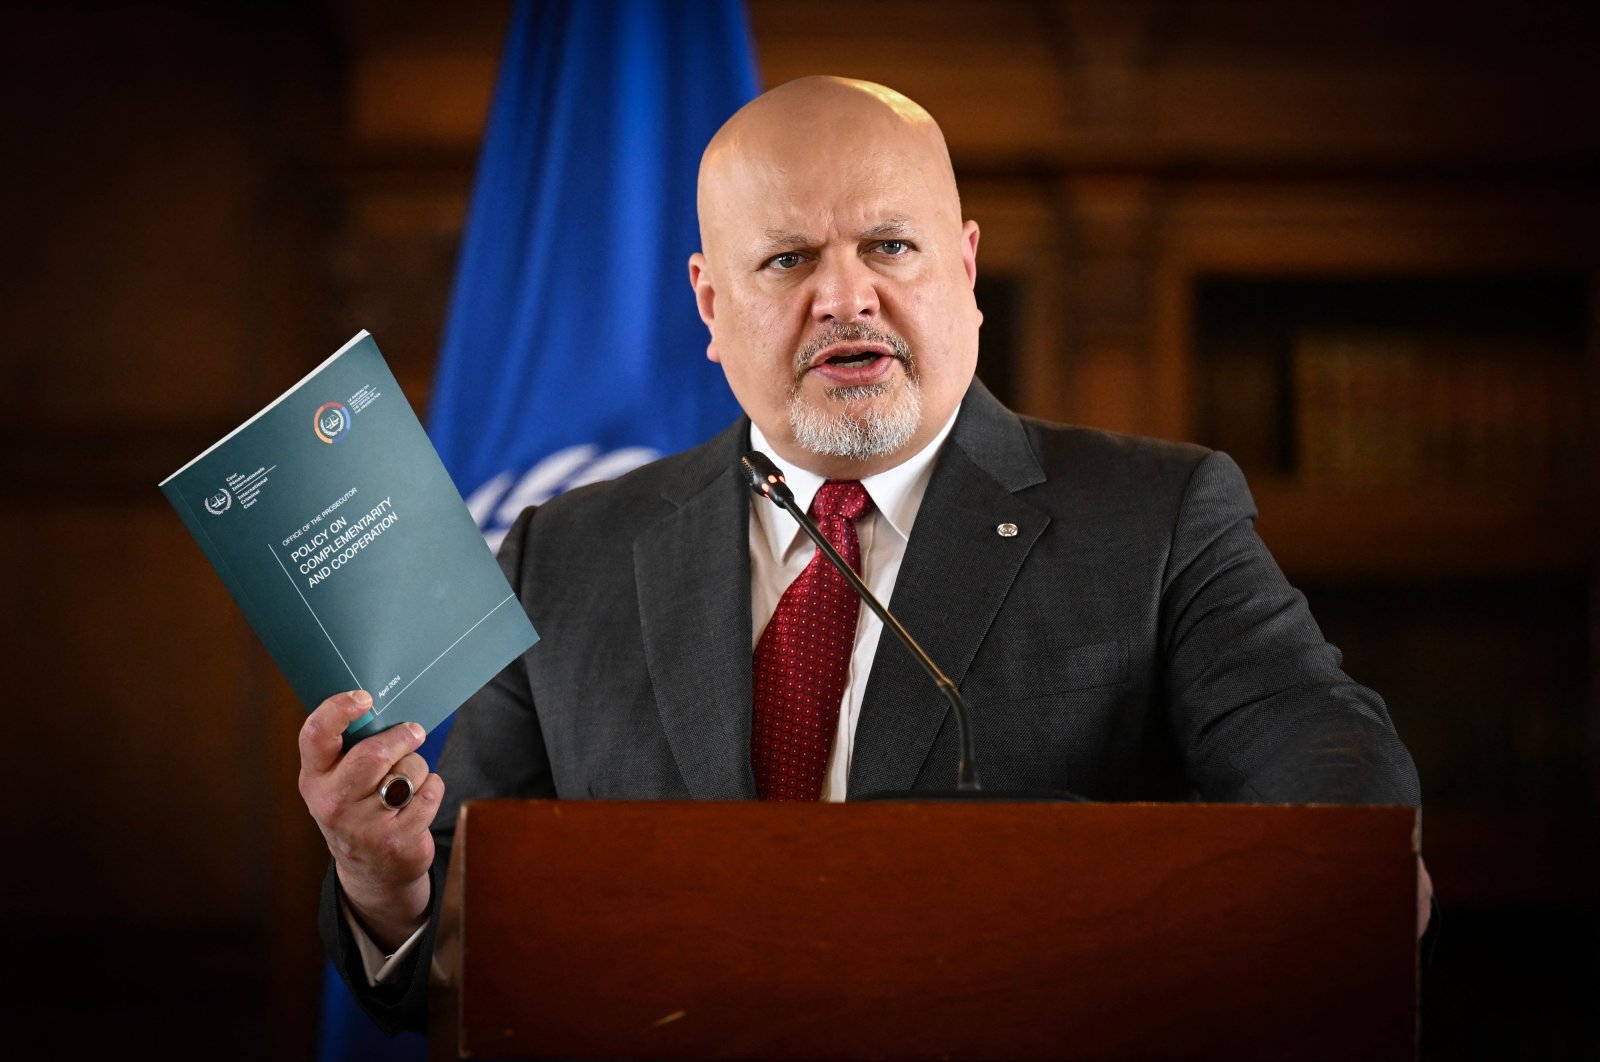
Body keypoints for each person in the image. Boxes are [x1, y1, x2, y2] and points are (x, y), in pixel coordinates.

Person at [298, 76, 1429, 1035]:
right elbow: (455, 935)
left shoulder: (1159, 514)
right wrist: (382, 881)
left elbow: (1323, 755)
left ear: (964, 268)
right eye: (787, 260)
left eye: (889, 245)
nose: (847, 297)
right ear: (709, 301)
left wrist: (1339, 878)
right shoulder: (567, 553)